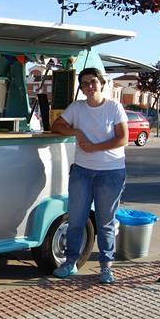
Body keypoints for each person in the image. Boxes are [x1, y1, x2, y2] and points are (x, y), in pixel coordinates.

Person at [50, 67, 128, 284]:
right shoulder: (77, 107)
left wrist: (95, 147)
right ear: (81, 88)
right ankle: (70, 262)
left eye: (93, 81)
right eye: (84, 83)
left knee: (105, 221)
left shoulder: (114, 107)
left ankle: (105, 266)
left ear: (101, 83)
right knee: (76, 219)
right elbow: (56, 125)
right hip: (82, 172)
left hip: (110, 172)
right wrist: (76, 131)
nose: (89, 86)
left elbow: (123, 138)